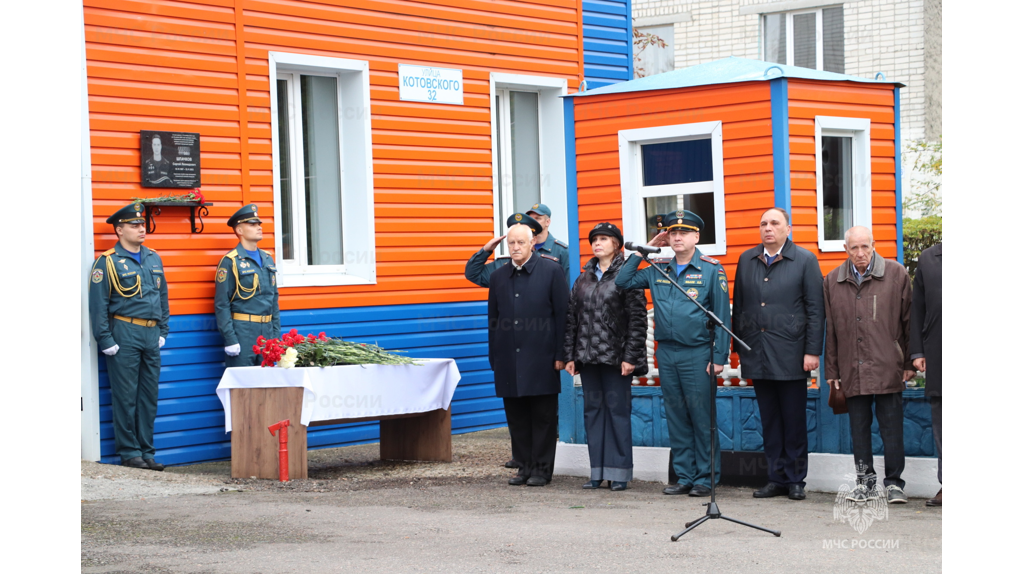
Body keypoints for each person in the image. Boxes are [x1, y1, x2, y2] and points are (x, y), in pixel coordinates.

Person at [616, 210, 731, 497]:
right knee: (677, 416)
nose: (677, 237)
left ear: (696, 236)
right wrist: (644, 249)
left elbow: (722, 316)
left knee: (702, 417)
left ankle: (706, 478)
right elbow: (622, 281)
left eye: (683, 232)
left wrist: (718, 358)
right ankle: (684, 476)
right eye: (672, 233)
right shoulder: (658, 267)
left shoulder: (710, 269)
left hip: (697, 354)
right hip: (666, 353)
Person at [732, 207, 824, 501]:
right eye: (763, 224)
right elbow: (741, 306)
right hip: (757, 353)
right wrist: (739, 347)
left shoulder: (805, 260)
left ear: (788, 228)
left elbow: (815, 309)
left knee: (794, 421)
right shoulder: (747, 259)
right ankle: (775, 478)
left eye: (774, 223)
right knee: (769, 421)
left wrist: (812, 351)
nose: (767, 228)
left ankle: (796, 480)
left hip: (792, 354)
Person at [823, 226, 914, 504]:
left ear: (873, 245)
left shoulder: (896, 273)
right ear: (846, 250)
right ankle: (864, 483)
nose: (860, 253)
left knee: (892, 428)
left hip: (889, 364)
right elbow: (831, 330)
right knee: (859, 429)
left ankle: (895, 483)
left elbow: (909, 321)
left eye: (865, 247)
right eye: (854, 248)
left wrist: (909, 360)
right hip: (851, 366)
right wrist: (832, 371)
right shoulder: (832, 280)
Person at [563, 223, 648, 491]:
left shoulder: (627, 275)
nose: (597, 243)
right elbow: (571, 320)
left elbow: (637, 319)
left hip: (616, 359)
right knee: (593, 414)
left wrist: (630, 356)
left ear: (616, 244)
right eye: (594, 240)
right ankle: (596, 472)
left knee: (618, 413)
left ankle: (620, 473)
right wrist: (570, 355)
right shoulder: (583, 278)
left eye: (604, 239)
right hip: (588, 359)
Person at [88, 202, 170, 470]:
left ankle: (147, 451)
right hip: (124, 331)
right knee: (125, 395)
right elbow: (98, 305)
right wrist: (105, 339)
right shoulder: (107, 262)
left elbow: (163, 298)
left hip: (151, 333)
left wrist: (163, 330)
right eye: (134, 225)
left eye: (142, 224)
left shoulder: (153, 257)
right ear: (119, 229)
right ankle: (129, 452)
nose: (141, 228)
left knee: (149, 395)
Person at [488, 220, 569, 486]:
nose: (515, 247)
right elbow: (493, 319)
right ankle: (523, 467)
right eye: (511, 243)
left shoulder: (552, 271)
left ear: (532, 243)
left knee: (543, 417)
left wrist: (561, 354)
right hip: (509, 358)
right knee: (517, 417)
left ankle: (542, 471)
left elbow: (563, 316)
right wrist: (495, 356)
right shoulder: (499, 276)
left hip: (543, 356)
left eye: (521, 242)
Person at [214, 204, 281, 367]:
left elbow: (274, 301)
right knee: (243, 389)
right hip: (243, 332)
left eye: (259, 224)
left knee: (268, 387)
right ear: (239, 230)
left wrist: (276, 337)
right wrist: (230, 339)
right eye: (252, 224)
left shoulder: (267, 258)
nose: (259, 227)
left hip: (268, 332)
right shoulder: (230, 261)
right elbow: (222, 304)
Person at [465, 203, 570, 288]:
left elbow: (568, 287)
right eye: (512, 242)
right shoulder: (507, 262)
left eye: (537, 218)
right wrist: (485, 251)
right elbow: (473, 274)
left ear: (548, 222)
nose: (516, 247)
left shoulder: (562, 251)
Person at [909, 242, 942, 507]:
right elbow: (917, 308)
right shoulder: (929, 258)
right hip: (939, 352)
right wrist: (917, 351)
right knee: (943, 423)